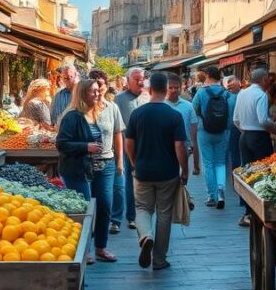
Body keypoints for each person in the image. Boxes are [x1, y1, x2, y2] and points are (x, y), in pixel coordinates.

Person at [124, 72, 188, 271]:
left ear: (149, 90)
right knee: (164, 214)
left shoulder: (137, 114)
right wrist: (184, 170)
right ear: (166, 89)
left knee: (142, 208)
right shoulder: (174, 116)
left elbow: (129, 144)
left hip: (143, 171)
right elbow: (180, 147)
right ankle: (159, 259)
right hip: (167, 173)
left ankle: (145, 236)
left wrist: (135, 163)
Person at [55, 78, 123, 262]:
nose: (97, 93)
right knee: (84, 209)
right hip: (78, 170)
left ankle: (101, 247)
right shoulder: (73, 116)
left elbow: (116, 133)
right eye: (93, 91)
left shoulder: (100, 111)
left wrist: (118, 160)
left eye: (98, 90)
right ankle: (84, 251)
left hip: (104, 166)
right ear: (83, 93)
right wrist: (86, 147)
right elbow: (61, 144)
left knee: (104, 207)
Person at [233, 66, 276, 226]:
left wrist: (245, 130)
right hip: (258, 137)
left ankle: (247, 212)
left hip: (244, 136)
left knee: (247, 173)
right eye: (268, 79)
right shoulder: (261, 95)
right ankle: (259, 211)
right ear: (264, 79)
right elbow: (263, 120)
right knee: (263, 173)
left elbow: (235, 120)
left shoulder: (242, 93)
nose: (269, 82)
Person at [112, 67, 147, 232]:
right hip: (128, 147)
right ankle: (130, 216)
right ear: (128, 81)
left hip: (148, 147)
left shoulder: (149, 98)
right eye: (136, 79)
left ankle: (145, 214)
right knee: (128, 182)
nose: (141, 81)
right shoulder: (119, 100)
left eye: (142, 78)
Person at [193, 65, 232, 208]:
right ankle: (221, 192)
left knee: (208, 163)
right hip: (223, 131)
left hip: (205, 131)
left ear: (208, 77)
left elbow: (194, 109)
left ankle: (211, 196)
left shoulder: (201, 92)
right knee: (221, 163)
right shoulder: (226, 93)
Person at [166, 73, 200, 177]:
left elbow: (194, 137)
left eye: (176, 87)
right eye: (170, 87)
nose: (173, 90)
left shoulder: (188, 106)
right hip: (165, 148)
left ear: (181, 88)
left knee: (182, 176)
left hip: (184, 148)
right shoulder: (160, 105)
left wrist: (196, 165)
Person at [225, 75, 242, 178]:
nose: (231, 87)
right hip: (234, 128)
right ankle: (236, 172)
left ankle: (235, 172)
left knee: (234, 151)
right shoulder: (227, 96)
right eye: (230, 86)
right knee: (235, 151)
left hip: (235, 127)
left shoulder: (227, 96)